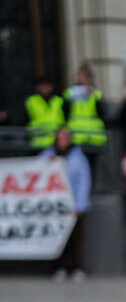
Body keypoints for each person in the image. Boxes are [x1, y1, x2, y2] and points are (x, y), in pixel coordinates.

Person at [40, 126, 91, 281]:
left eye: (65, 138)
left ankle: (76, 267)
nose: (62, 141)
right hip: (55, 206)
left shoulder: (78, 158)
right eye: (60, 138)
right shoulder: (48, 154)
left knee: (75, 239)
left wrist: (80, 205)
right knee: (57, 238)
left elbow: (84, 182)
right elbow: (35, 170)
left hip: (73, 204)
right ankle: (59, 267)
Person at [62, 64, 107, 183]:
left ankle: (91, 190)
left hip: (93, 137)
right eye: (79, 76)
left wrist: (94, 96)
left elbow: (102, 113)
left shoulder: (96, 94)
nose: (80, 79)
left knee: (92, 167)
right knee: (75, 164)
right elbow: (64, 111)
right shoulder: (70, 93)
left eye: (83, 76)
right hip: (76, 136)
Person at [24, 75, 64, 151]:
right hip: (38, 144)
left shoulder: (59, 101)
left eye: (47, 85)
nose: (45, 88)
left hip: (57, 144)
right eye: (42, 85)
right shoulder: (31, 101)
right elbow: (24, 121)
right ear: (37, 87)